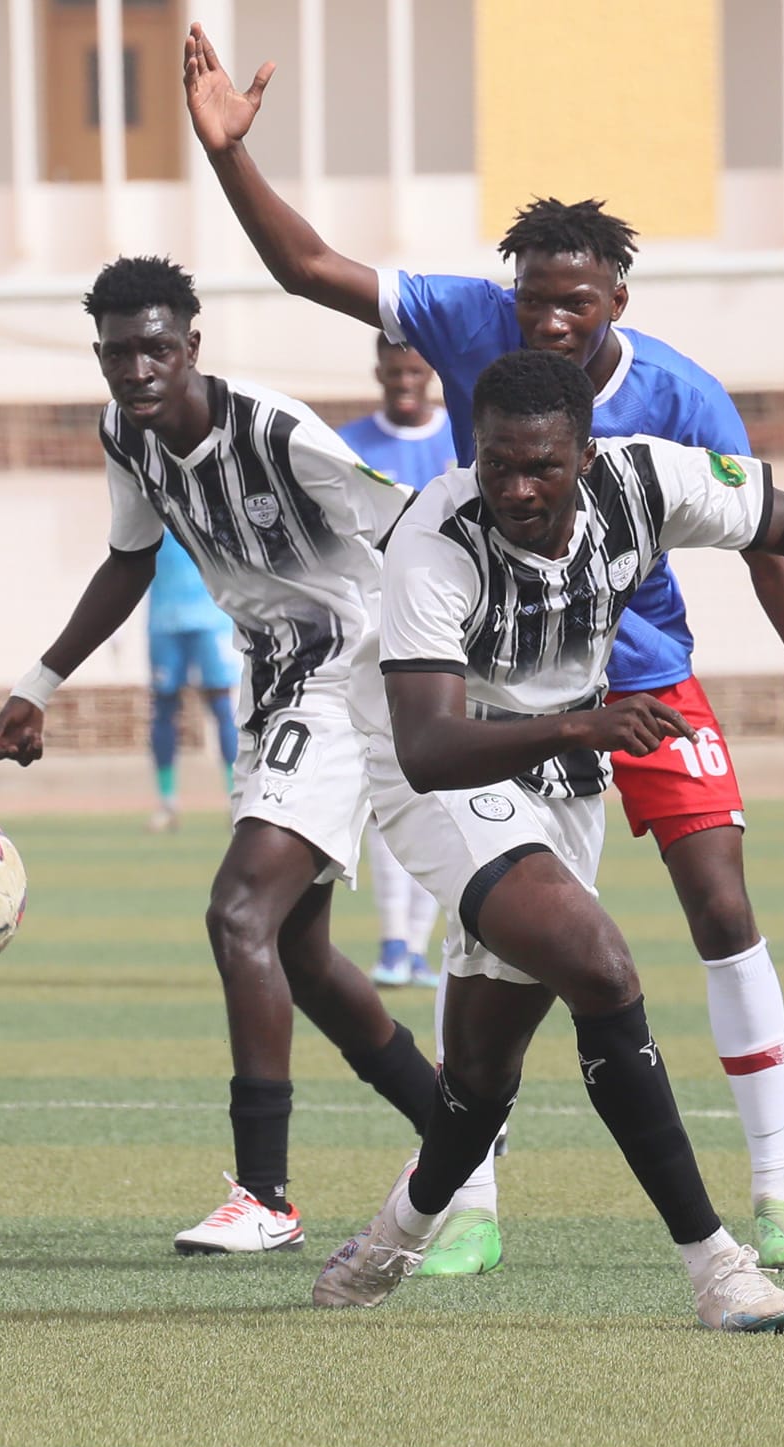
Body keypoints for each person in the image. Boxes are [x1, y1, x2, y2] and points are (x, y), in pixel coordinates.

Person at [183, 23, 784, 1275]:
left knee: (717, 907)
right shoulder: (467, 343)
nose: (548, 322)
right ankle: (540, 1225)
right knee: (540, 957)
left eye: (573, 302)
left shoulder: (675, 407)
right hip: (489, 692)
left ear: (616, 304)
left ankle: (776, 1191)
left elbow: (774, 543)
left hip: (635, 675)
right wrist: (229, 162)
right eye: (532, 301)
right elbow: (306, 266)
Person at [312, 349, 784, 1332]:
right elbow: (431, 743)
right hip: (439, 772)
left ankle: (396, 1229)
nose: (516, 488)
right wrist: (581, 725)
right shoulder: (434, 540)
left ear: (585, 453)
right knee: (601, 968)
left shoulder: (646, 478)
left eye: (541, 466)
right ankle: (715, 1267)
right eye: (495, 464)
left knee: (482, 1076)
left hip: (561, 771)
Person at [0, 255, 438, 1257]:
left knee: (236, 911)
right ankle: (455, 1125)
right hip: (270, 680)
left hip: (345, 673)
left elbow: (404, 521)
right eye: (117, 353)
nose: (136, 369)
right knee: (298, 954)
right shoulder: (124, 433)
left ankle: (265, 1195)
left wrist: (451, 664)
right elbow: (129, 557)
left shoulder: (274, 430)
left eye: (155, 347)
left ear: (190, 347)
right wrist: (39, 681)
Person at [336, 337, 452, 987]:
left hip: (443, 633)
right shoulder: (349, 442)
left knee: (441, 788)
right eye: (394, 369)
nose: (404, 381)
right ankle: (392, 943)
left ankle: (416, 943)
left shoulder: (458, 436)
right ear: (377, 367)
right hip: (371, 638)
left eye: (416, 369)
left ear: (430, 371)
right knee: (386, 790)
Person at [144, 536, 241, 832]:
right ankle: (167, 803)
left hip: (212, 618)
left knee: (223, 707)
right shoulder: (151, 500)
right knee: (163, 707)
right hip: (164, 619)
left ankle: (235, 800)